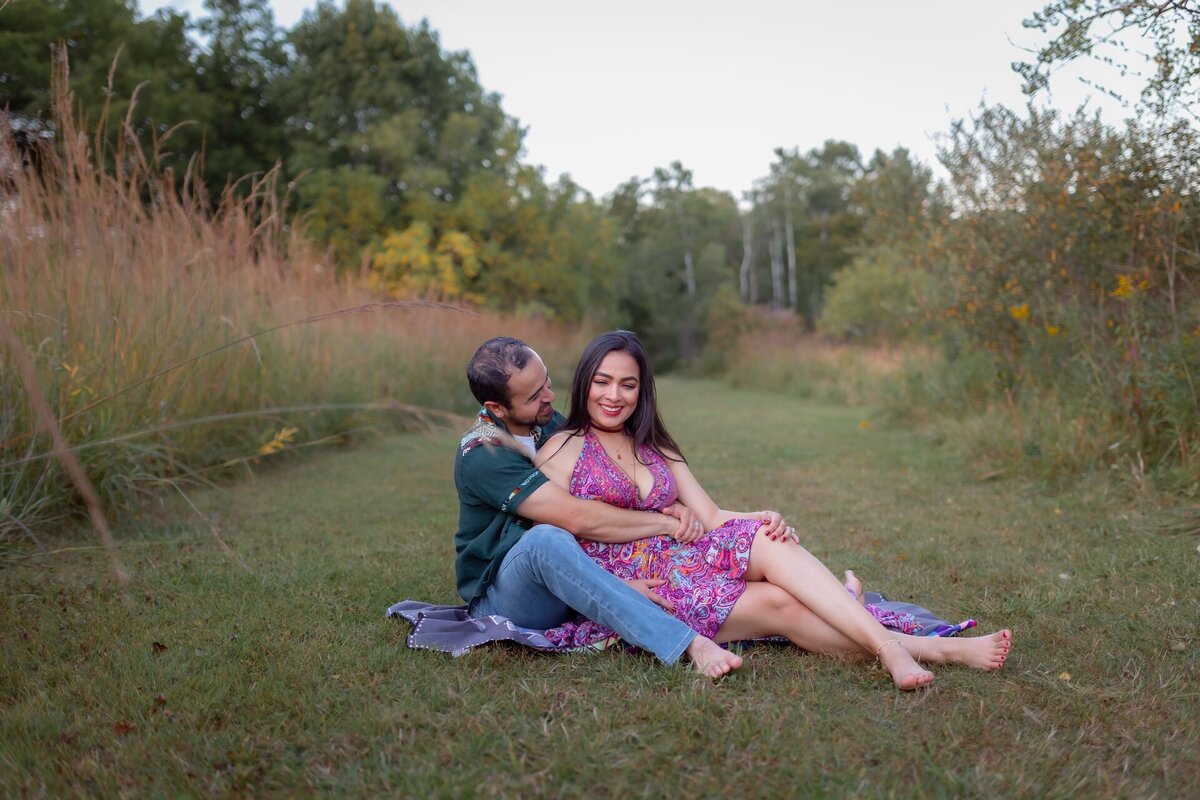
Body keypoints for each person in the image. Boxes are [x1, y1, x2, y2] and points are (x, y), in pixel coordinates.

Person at [535, 330, 1013, 691]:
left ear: (643, 391)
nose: (613, 395)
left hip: (688, 554)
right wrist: (615, 588)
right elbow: (551, 546)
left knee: (765, 536)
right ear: (584, 383)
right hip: (643, 585)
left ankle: (887, 645)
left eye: (627, 384)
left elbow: (714, 516)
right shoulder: (563, 449)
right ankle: (934, 647)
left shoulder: (655, 446)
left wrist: (761, 517)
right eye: (602, 382)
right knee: (780, 604)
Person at [453, 336, 750, 677]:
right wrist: (662, 524)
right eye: (534, 396)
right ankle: (689, 644)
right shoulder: (483, 454)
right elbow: (577, 516)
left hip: (568, 577)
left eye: (546, 381)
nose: (549, 397)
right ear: (496, 408)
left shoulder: (544, 420)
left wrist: (678, 507)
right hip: (510, 595)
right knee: (544, 541)